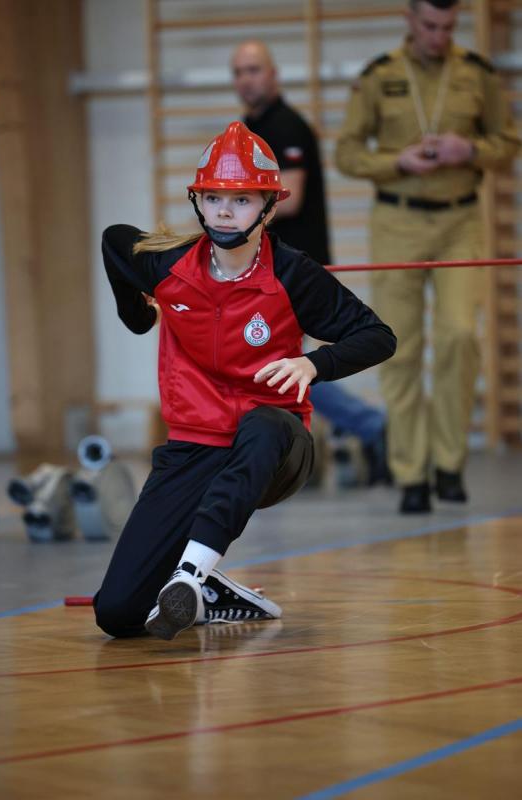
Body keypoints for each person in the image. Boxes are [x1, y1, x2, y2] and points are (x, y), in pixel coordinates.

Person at [94, 121, 396, 641]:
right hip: (194, 450)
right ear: (198, 202)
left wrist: (314, 365)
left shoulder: (294, 274)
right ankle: (210, 592)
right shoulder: (169, 267)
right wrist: (138, 313)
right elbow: (115, 242)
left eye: (240, 200)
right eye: (213, 198)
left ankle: (191, 574)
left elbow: (378, 336)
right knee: (118, 614)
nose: (224, 212)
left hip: (275, 448)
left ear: (269, 208)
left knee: (264, 423)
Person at [335, 0, 520, 513]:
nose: (439, 36)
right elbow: (347, 152)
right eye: (430, 26)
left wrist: (472, 151)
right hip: (397, 219)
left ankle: (449, 463)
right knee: (399, 346)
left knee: (460, 335)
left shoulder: (476, 73)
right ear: (410, 19)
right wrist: (397, 161)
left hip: (460, 218)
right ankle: (411, 473)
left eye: (448, 27)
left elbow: (509, 141)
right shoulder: (379, 76)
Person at [231, 39, 390, 485]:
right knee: (276, 363)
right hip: (267, 265)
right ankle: (351, 433)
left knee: (282, 364)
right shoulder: (251, 128)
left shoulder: (286, 126)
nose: (246, 80)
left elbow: (292, 197)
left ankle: (369, 426)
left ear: (274, 75)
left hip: (295, 267)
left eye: (254, 70)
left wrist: (228, 216)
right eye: (239, 72)